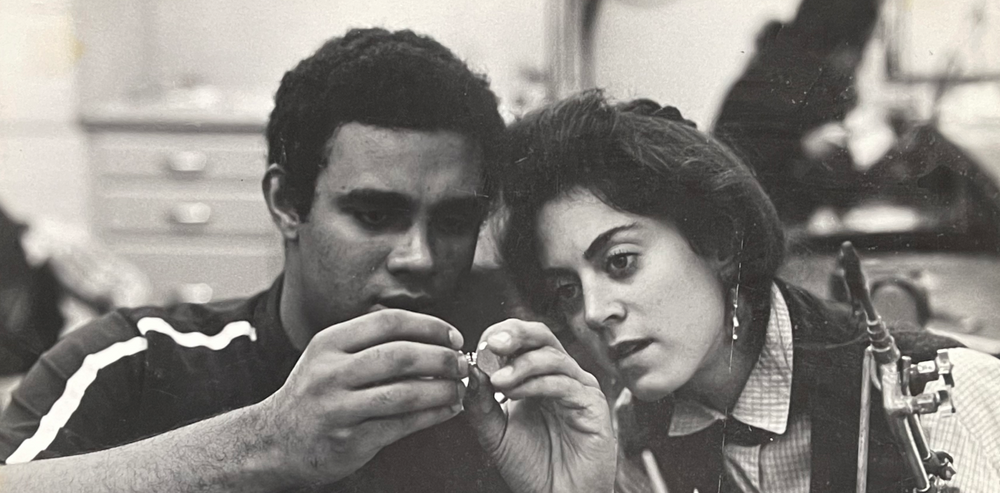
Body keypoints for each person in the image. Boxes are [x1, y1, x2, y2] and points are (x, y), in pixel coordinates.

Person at [0, 29, 615, 492]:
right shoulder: (134, 361)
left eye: (454, 222)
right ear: (286, 203)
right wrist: (264, 442)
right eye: (374, 215)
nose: (420, 257)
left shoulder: (519, 399)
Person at [498, 90, 1000, 492]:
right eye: (566, 290)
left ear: (718, 238)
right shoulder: (628, 436)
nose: (594, 312)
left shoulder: (946, 392)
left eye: (620, 262)